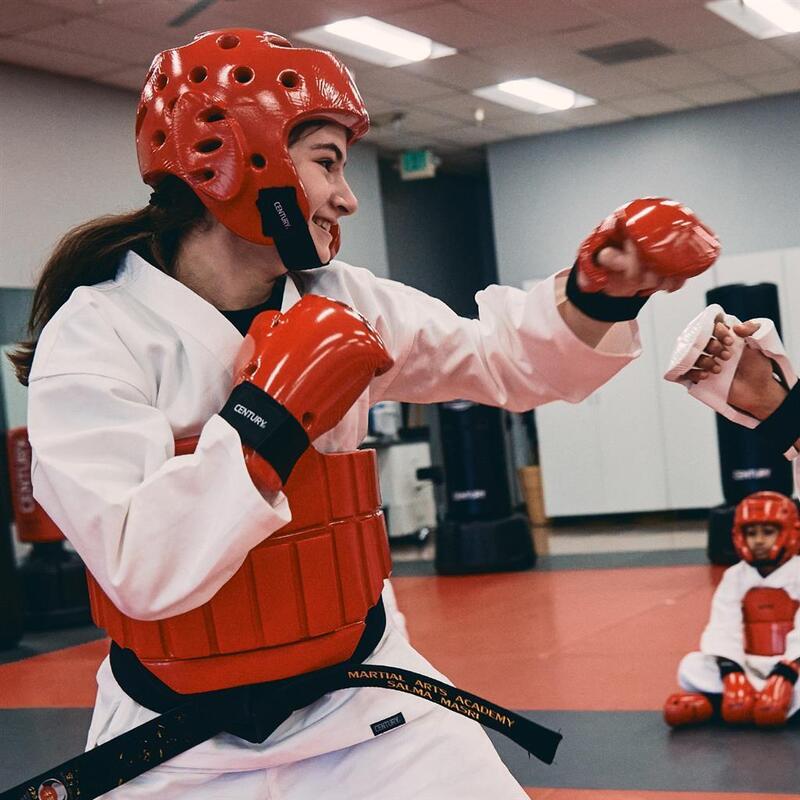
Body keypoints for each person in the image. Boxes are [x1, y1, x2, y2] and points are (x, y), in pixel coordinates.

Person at [10, 28, 719, 800]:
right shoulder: (98, 334)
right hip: (174, 741)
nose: (347, 197)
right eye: (327, 162)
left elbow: (499, 359)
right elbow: (139, 568)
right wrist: (268, 416)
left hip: (366, 705)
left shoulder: (344, 299)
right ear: (230, 158)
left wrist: (598, 294)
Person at [664, 491, 800, 728]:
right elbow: (723, 626)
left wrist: (786, 674)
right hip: (748, 663)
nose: (758, 541)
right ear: (739, 536)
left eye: (768, 532)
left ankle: (714, 705)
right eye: (751, 533)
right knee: (690, 666)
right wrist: (732, 673)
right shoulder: (735, 576)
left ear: (788, 532)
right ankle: (746, 698)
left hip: (793, 666)